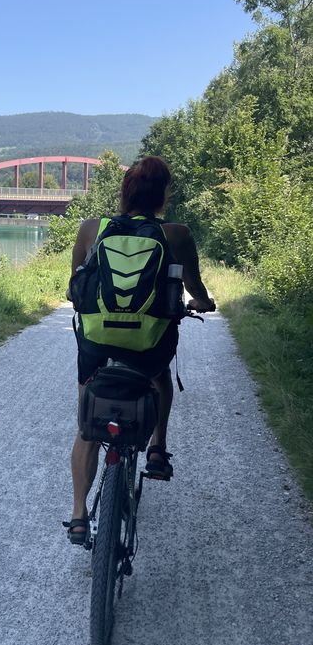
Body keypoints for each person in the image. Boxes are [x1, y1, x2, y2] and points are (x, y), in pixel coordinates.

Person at [66, 156, 215, 544]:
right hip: (148, 345)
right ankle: (156, 450)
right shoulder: (176, 234)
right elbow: (194, 286)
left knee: (87, 423)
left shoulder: (90, 229)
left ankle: (80, 516)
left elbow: (74, 287)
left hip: (96, 344)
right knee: (160, 378)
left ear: (125, 192)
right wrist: (203, 303)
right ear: (163, 195)